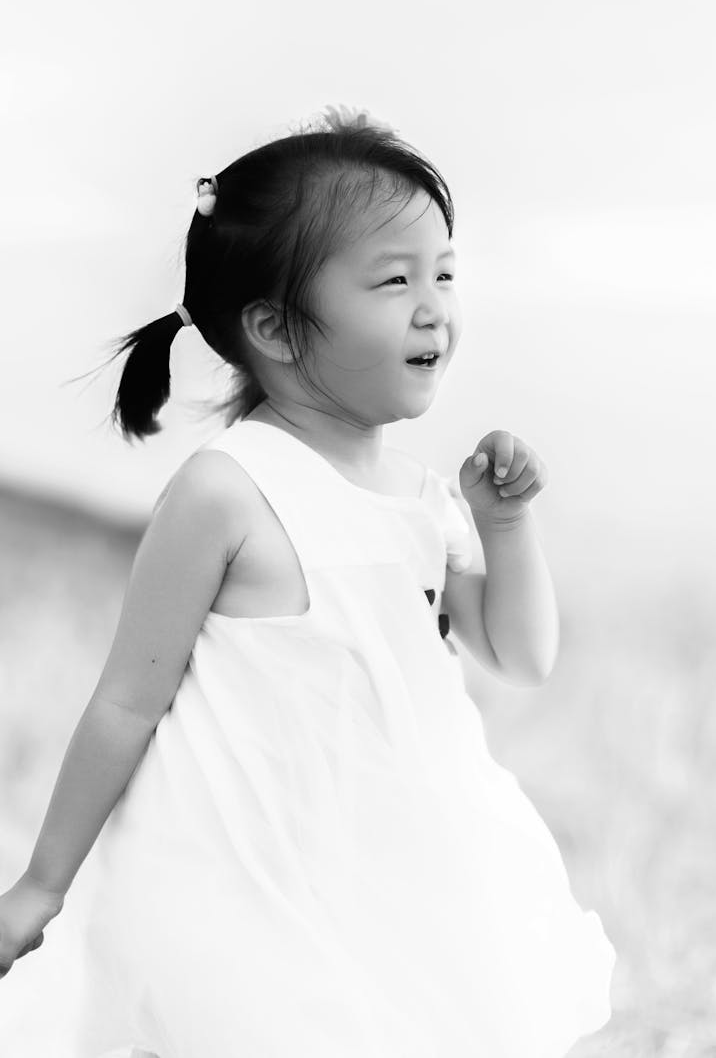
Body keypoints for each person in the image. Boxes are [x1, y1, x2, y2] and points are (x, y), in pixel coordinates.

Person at [0, 105, 616, 1057]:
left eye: (444, 274)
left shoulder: (417, 498)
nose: (433, 307)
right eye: (393, 279)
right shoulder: (227, 491)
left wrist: (504, 522)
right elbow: (126, 701)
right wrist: (43, 883)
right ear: (277, 328)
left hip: (399, 876)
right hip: (240, 878)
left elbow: (521, 653)